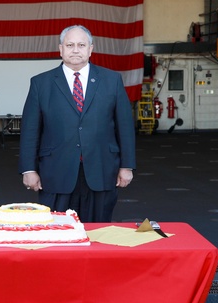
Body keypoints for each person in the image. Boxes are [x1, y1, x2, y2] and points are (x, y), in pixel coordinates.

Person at [18, 24, 136, 223]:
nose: (75, 49)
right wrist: (29, 169)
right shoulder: (41, 83)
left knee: (98, 232)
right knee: (57, 235)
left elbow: (125, 127)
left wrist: (127, 166)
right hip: (56, 173)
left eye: (81, 45)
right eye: (70, 44)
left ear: (90, 49)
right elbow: (30, 131)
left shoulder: (111, 80)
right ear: (61, 48)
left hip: (101, 170)